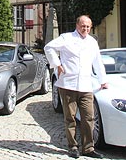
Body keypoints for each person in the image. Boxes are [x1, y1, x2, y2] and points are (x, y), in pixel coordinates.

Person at [44, 15, 107, 159]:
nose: (85, 29)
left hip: (86, 86)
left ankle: (88, 148)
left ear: (90, 27)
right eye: (83, 26)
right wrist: (57, 64)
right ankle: (72, 146)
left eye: (88, 27)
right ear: (77, 25)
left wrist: (103, 81)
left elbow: (98, 62)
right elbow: (48, 47)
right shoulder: (66, 38)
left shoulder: (92, 42)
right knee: (70, 118)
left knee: (88, 117)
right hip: (68, 84)